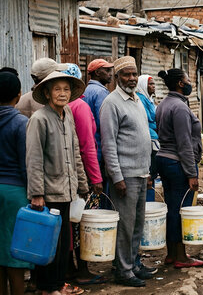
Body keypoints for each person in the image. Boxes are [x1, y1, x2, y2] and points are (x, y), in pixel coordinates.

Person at [26, 71, 89, 295]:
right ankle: (48, 288)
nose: (62, 94)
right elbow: (34, 159)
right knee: (49, 244)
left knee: (63, 246)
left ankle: (58, 284)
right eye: (57, 89)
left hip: (67, 191)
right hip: (49, 193)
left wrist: (82, 185)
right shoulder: (39, 119)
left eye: (66, 89)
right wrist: (36, 193)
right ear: (47, 92)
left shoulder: (68, 114)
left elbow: (75, 152)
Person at [100, 56, 154, 287]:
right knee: (125, 225)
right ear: (116, 77)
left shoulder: (137, 99)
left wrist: (148, 171)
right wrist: (117, 176)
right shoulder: (111, 103)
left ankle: (134, 264)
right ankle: (123, 270)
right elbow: (108, 143)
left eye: (134, 74)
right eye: (126, 74)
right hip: (125, 176)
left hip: (141, 172)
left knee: (137, 224)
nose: (131, 78)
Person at [61, 64, 106, 286]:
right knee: (84, 222)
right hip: (84, 174)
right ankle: (84, 269)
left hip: (66, 173)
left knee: (69, 222)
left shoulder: (60, 106)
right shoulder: (80, 106)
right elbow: (88, 146)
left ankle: (69, 268)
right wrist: (95, 178)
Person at [155, 69, 203, 268]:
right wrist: (191, 173)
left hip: (164, 160)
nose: (189, 82)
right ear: (179, 84)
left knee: (171, 207)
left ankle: (171, 253)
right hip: (177, 163)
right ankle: (181, 257)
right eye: (187, 80)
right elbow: (184, 142)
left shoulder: (163, 104)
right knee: (180, 210)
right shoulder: (180, 108)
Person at [0, 70, 32, 295]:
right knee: (15, 252)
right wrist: (35, 193)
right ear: (19, 95)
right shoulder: (21, 123)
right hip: (15, 192)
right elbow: (26, 163)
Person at [83, 59, 114, 208]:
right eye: (106, 71)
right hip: (99, 150)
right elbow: (105, 124)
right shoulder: (101, 92)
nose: (110, 74)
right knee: (101, 192)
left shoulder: (86, 91)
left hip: (89, 149)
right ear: (96, 73)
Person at [136, 74, 159, 201]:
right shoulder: (140, 99)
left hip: (154, 136)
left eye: (154, 84)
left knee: (152, 174)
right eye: (150, 84)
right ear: (143, 85)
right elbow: (144, 120)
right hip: (148, 138)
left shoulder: (148, 99)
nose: (153, 86)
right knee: (148, 174)